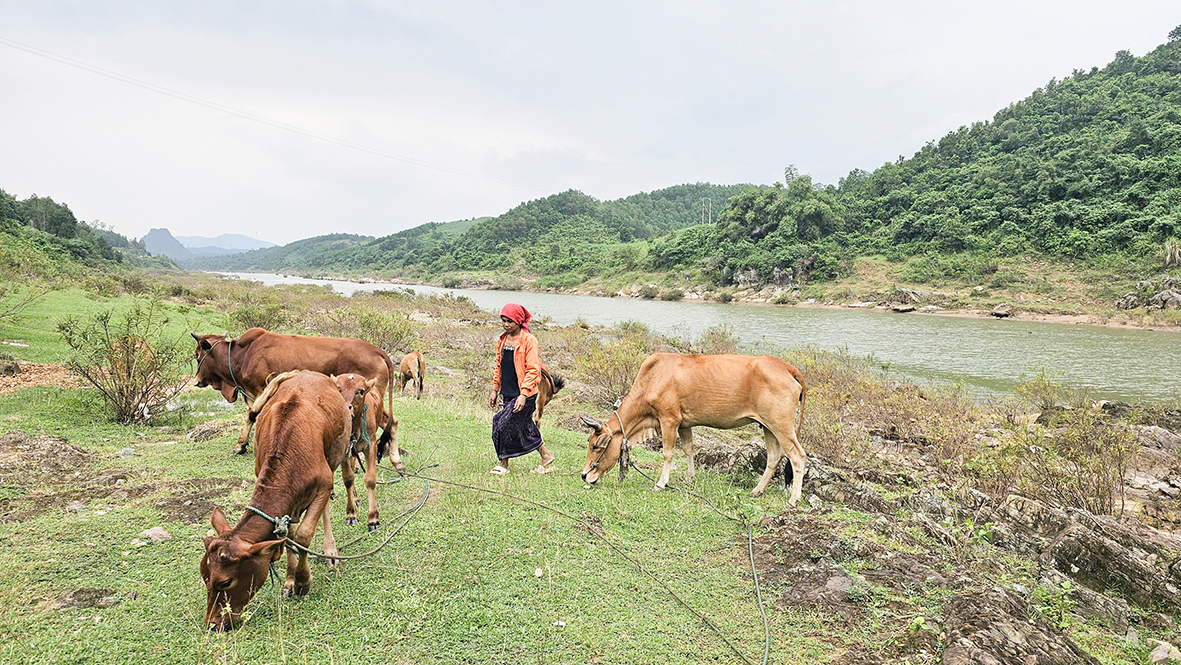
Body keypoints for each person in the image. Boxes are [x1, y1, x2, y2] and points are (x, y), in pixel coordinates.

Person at [488, 303, 555, 475]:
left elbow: (533, 370)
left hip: (525, 395)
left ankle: (503, 464)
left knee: (500, 423)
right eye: (503, 320)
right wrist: (495, 390)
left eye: (509, 321)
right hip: (508, 392)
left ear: (518, 321)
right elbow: (499, 367)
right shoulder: (502, 340)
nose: (506, 324)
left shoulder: (529, 340)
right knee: (525, 426)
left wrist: (523, 394)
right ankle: (546, 456)